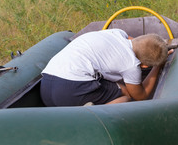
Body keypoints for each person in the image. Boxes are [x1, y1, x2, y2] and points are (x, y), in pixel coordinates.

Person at [40, 29, 170, 106]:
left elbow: (140, 44)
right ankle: (89, 116)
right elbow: (140, 96)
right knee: (126, 96)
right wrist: (158, 66)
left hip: (46, 85)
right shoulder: (131, 65)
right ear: (145, 65)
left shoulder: (118, 33)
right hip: (70, 89)